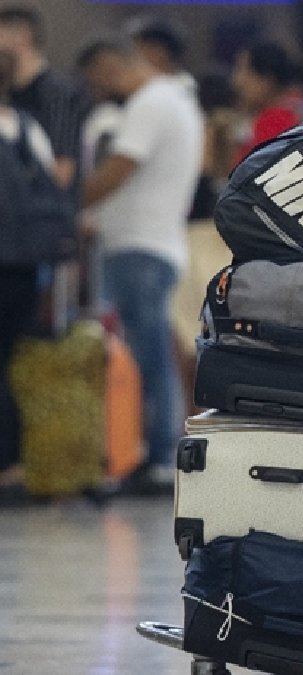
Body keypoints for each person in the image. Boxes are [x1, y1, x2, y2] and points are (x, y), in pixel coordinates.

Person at [78, 39, 203, 496]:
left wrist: (67, 204)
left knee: (151, 357)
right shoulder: (177, 100)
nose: (99, 91)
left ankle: (159, 459)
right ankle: (156, 456)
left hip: (140, 248)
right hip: (155, 245)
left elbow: (119, 169)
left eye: (98, 80)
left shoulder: (150, 103)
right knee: (154, 354)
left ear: (112, 67)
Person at [0, 49, 55, 506]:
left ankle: (8, 467)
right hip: (24, 267)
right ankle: (14, 469)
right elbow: (54, 189)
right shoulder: (26, 129)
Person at [0, 4, 90, 191]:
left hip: (40, 202)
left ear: (22, 35)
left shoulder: (59, 93)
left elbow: (63, 170)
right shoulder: (10, 94)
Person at [230, 40, 303, 165]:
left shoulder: (275, 121)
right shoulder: (295, 108)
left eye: (245, 72)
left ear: (266, 81)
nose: (237, 81)